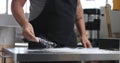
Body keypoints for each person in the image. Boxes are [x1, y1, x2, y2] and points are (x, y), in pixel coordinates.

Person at [11, 0, 92, 48]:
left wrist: (83, 35)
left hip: (70, 47)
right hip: (42, 46)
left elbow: (79, 12)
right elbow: (16, 3)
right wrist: (25, 24)